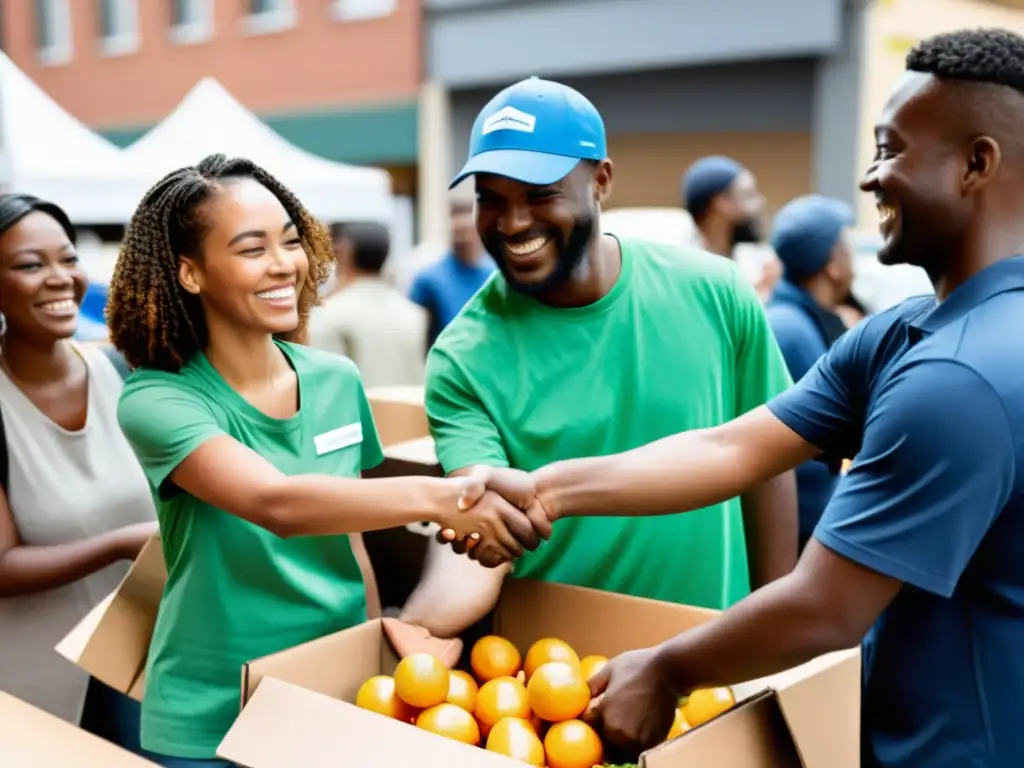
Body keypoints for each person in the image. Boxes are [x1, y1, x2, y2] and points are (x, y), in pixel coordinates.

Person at [458, 28, 1024, 768]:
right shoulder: (902, 334)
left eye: (890, 149)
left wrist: (664, 670)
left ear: (977, 165)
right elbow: (733, 447)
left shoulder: (961, 377)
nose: (870, 178)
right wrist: (544, 491)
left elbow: (825, 606)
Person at [105, 154, 542, 767]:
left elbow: (351, 537)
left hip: (330, 692)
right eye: (252, 248)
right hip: (214, 714)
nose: (284, 263)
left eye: (290, 240)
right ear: (190, 272)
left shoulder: (336, 380)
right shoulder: (159, 399)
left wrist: (374, 652)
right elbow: (276, 504)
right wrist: (450, 496)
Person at [399, 76, 798, 641]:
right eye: (491, 198)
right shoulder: (462, 358)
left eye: (539, 195)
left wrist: (774, 631)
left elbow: (770, 464)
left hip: (711, 659)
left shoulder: (716, 292)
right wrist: (419, 629)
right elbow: (485, 518)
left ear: (601, 180)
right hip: (553, 687)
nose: (512, 223)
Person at [0, 194, 157, 746]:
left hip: (139, 666)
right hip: (31, 687)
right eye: (29, 264)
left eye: (67, 258)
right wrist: (120, 543)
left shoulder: (121, 368)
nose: (59, 278)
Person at [764, 195, 856, 550]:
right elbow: (808, 456)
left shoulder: (797, 318)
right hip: (804, 530)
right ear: (832, 264)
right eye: (846, 246)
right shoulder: (792, 330)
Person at [308, 220, 427, 388]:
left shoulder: (329, 315)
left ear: (341, 252)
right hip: (410, 413)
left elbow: (322, 387)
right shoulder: (414, 313)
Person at [408, 198, 494, 348]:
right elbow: (415, 332)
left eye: (469, 230)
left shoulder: (495, 277)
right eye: (459, 232)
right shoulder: (429, 280)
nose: (465, 239)